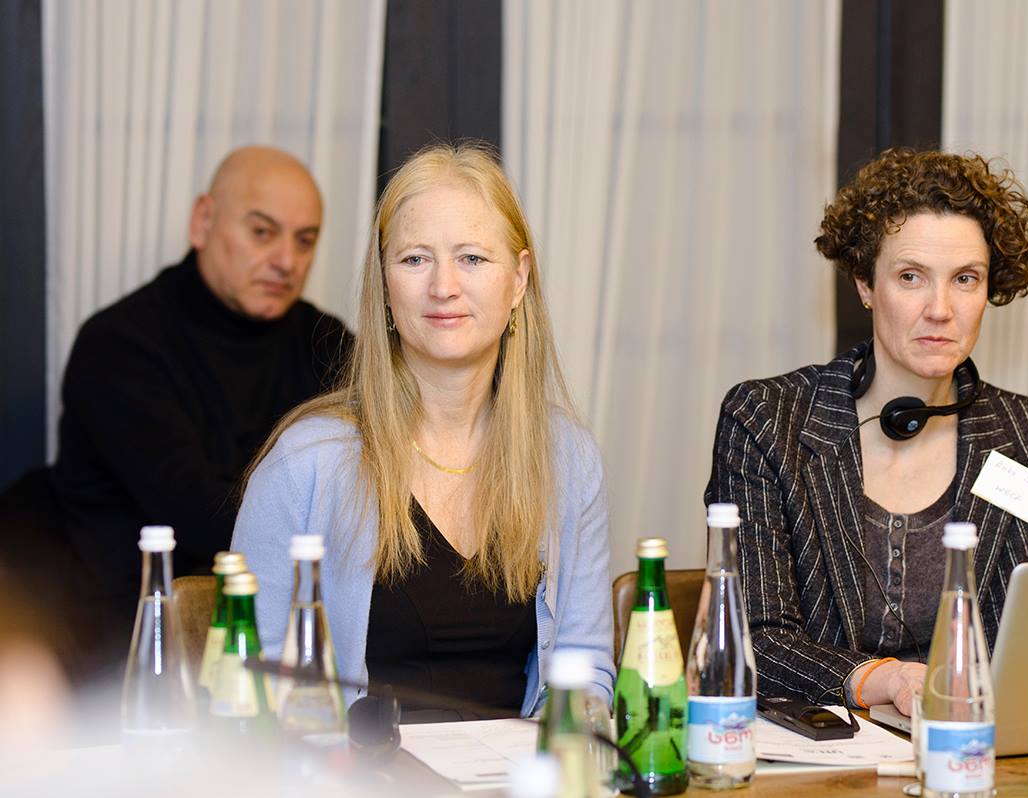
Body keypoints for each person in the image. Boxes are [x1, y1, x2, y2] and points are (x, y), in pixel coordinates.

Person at [231, 143, 614, 719]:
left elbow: (586, 666)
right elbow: (250, 683)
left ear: (518, 280)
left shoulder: (569, 459)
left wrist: (564, 745)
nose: (443, 286)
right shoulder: (305, 462)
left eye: (472, 258)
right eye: (414, 260)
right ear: (384, 286)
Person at [704, 148, 1028, 716]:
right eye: (910, 277)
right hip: (819, 740)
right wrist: (882, 678)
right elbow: (753, 634)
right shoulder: (768, 421)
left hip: (973, 737)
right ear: (865, 284)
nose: (940, 309)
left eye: (965, 279)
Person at [52, 146, 351, 676]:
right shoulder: (120, 347)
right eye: (262, 232)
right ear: (203, 222)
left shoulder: (326, 345)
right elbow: (203, 518)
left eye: (305, 240)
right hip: (134, 655)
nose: (286, 260)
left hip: (289, 640)